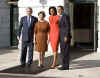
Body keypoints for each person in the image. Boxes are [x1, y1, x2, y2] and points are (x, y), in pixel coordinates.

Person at [57, 6, 71, 70]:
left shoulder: (65, 16)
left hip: (65, 37)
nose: (58, 10)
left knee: (65, 52)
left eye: (59, 9)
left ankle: (65, 66)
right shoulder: (60, 16)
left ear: (63, 9)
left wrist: (66, 36)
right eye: (57, 9)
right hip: (61, 37)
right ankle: (64, 65)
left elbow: (68, 27)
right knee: (63, 52)